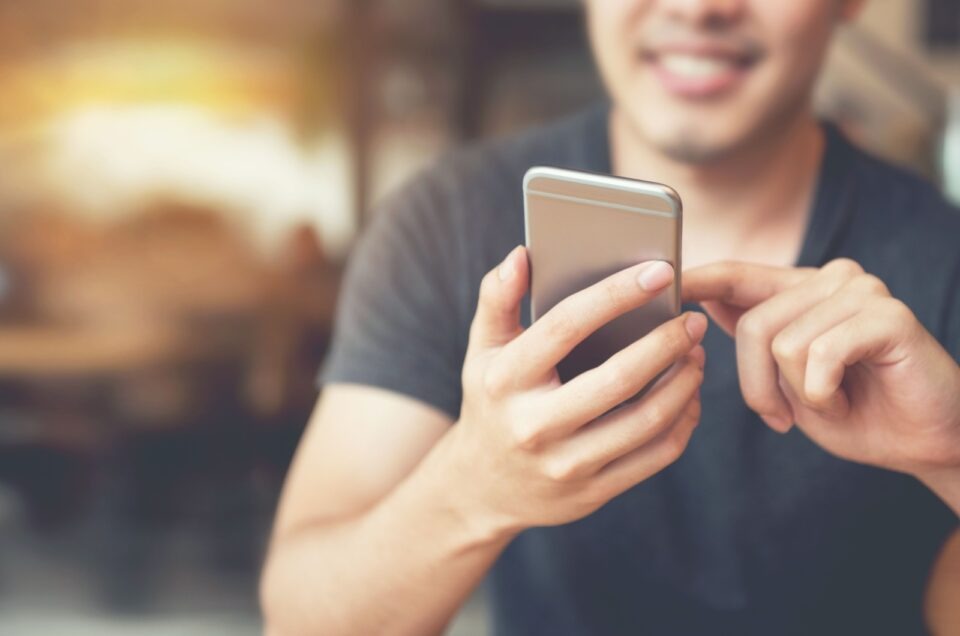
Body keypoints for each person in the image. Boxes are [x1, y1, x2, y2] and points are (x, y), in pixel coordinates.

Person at [260, 1, 960, 633]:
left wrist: (951, 451)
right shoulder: (446, 222)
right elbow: (304, 621)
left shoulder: (944, 262)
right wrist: (472, 490)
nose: (698, 8)